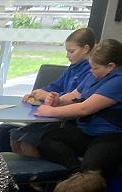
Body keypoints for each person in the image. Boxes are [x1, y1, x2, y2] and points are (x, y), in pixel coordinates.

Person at [2, 28, 96, 158]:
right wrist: (37, 93)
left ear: (85, 49)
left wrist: (48, 96)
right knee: (15, 136)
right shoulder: (73, 68)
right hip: (53, 115)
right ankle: (21, 167)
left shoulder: (91, 71)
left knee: (28, 141)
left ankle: (35, 169)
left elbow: (76, 97)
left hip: (67, 120)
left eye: (71, 51)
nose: (67, 55)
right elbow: (56, 85)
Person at [37, 38, 122, 180]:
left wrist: (51, 111)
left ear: (110, 67)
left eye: (95, 68)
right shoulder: (95, 75)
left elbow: (84, 108)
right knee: (48, 140)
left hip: (110, 136)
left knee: (91, 169)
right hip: (87, 132)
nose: (91, 71)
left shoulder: (118, 81)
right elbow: (75, 95)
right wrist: (58, 100)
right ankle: (75, 175)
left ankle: (82, 180)